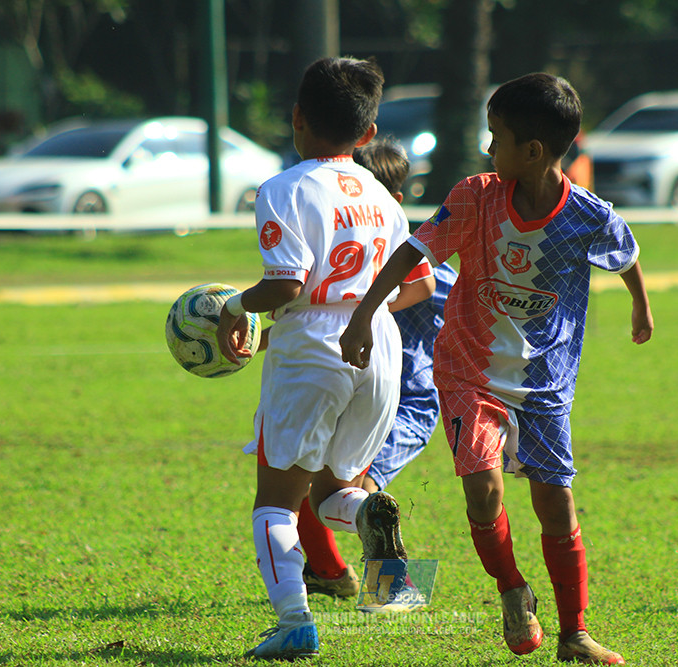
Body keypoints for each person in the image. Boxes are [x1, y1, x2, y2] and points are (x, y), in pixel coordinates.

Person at [339, 73, 653, 665]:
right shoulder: (475, 197)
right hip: (467, 370)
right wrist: (364, 311)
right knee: (484, 492)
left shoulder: (587, 215)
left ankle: (574, 634)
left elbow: (626, 253)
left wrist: (641, 304)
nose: (488, 148)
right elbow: (414, 250)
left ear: (532, 151)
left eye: (497, 137)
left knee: (555, 505)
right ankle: (512, 590)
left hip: (544, 381)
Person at [216, 57, 434, 661]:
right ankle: (374, 525)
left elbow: (286, 283)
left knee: (275, 501)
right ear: (367, 133)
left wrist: (234, 307)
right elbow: (416, 280)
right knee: (336, 491)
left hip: (313, 345)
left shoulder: (283, 188)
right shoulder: (383, 196)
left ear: (297, 118)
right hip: (379, 340)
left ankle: (294, 622)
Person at [295, 138, 458, 599]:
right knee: (317, 479)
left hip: (405, 402)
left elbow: (473, 317)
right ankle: (329, 572)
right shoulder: (346, 258)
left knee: (350, 486)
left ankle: (390, 589)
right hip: (362, 388)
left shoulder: (426, 271)